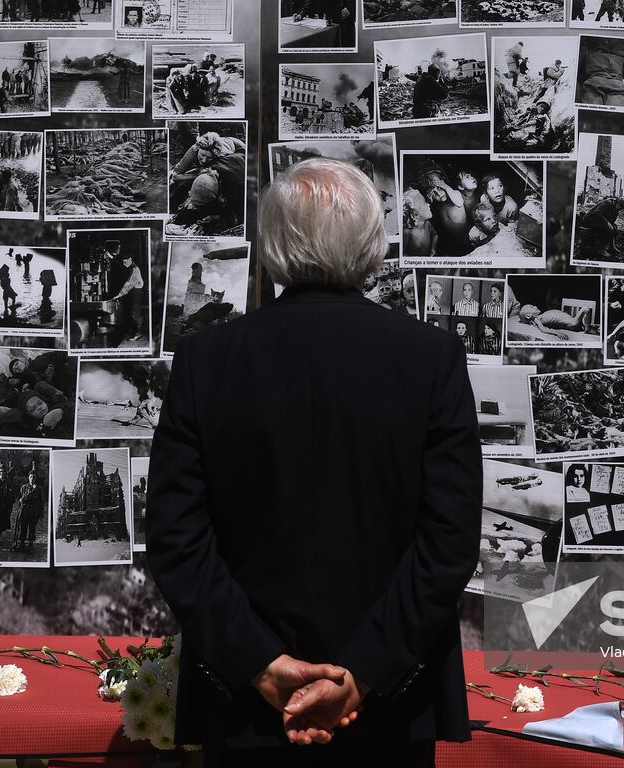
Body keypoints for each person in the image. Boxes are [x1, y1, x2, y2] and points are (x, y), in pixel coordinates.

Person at [147, 157, 481, 762]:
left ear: (272, 245)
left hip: (246, 709)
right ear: (372, 244)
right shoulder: (430, 358)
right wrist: (362, 673)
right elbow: (448, 542)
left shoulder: (206, 360)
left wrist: (262, 665)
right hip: (389, 710)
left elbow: (177, 539)